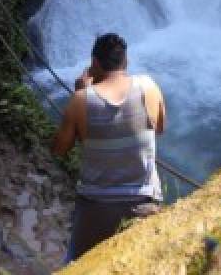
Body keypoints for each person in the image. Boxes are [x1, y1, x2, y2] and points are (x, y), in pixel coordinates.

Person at [52, 33, 167, 261]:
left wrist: (80, 93)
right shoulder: (148, 86)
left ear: (94, 63)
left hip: (96, 206)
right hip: (143, 202)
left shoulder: (81, 100)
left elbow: (59, 149)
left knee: (76, 263)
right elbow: (160, 128)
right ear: (126, 61)